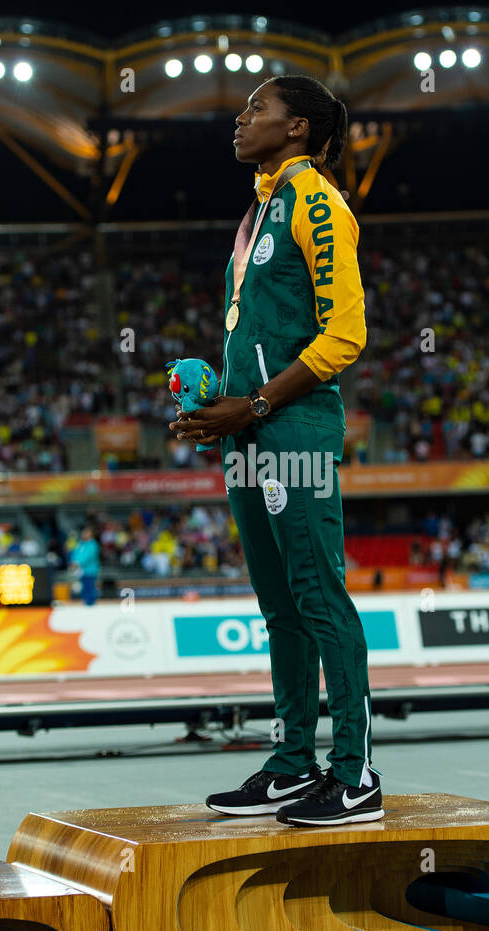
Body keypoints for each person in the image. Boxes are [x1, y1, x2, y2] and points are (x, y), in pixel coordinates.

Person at [170, 75, 381, 826]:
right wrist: (218, 399)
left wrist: (256, 401)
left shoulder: (317, 202)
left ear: (297, 128)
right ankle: (294, 762)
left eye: (257, 108)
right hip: (251, 429)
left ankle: (353, 773)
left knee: (319, 597)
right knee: (279, 605)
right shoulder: (261, 209)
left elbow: (345, 334)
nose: (241, 116)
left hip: (292, 426)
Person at [69, 525, 100, 606]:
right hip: (80, 571)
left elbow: (89, 556)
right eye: (84, 532)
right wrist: (73, 562)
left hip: (90, 570)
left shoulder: (93, 544)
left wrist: (77, 563)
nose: (84, 534)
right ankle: (85, 602)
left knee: (89, 587)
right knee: (83, 589)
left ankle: (90, 604)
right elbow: (75, 553)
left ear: (91, 534)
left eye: (87, 532)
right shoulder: (81, 544)